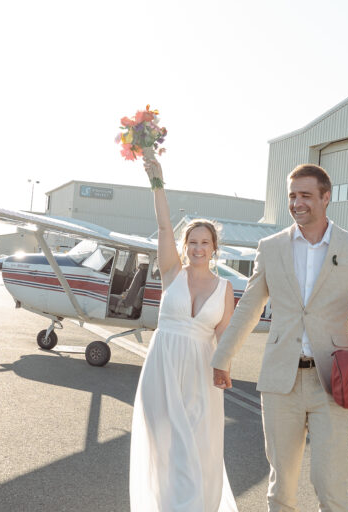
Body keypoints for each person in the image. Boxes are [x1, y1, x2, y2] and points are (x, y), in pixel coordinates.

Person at [211, 163, 348, 512]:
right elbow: (249, 306)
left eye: (306, 196)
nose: (297, 203)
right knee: (281, 487)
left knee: (330, 486)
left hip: (334, 382)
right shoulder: (270, 247)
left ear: (326, 198)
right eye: (292, 196)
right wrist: (223, 357)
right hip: (281, 381)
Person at [129, 148, 238, 512]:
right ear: (184, 245)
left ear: (214, 248)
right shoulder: (171, 273)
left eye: (205, 242)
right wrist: (156, 181)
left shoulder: (225, 289)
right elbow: (163, 226)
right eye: (192, 242)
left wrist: (224, 368)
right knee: (165, 446)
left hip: (201, 375)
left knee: (196, 450)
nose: (198, 248)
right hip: (162, 368)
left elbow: (225, 336)